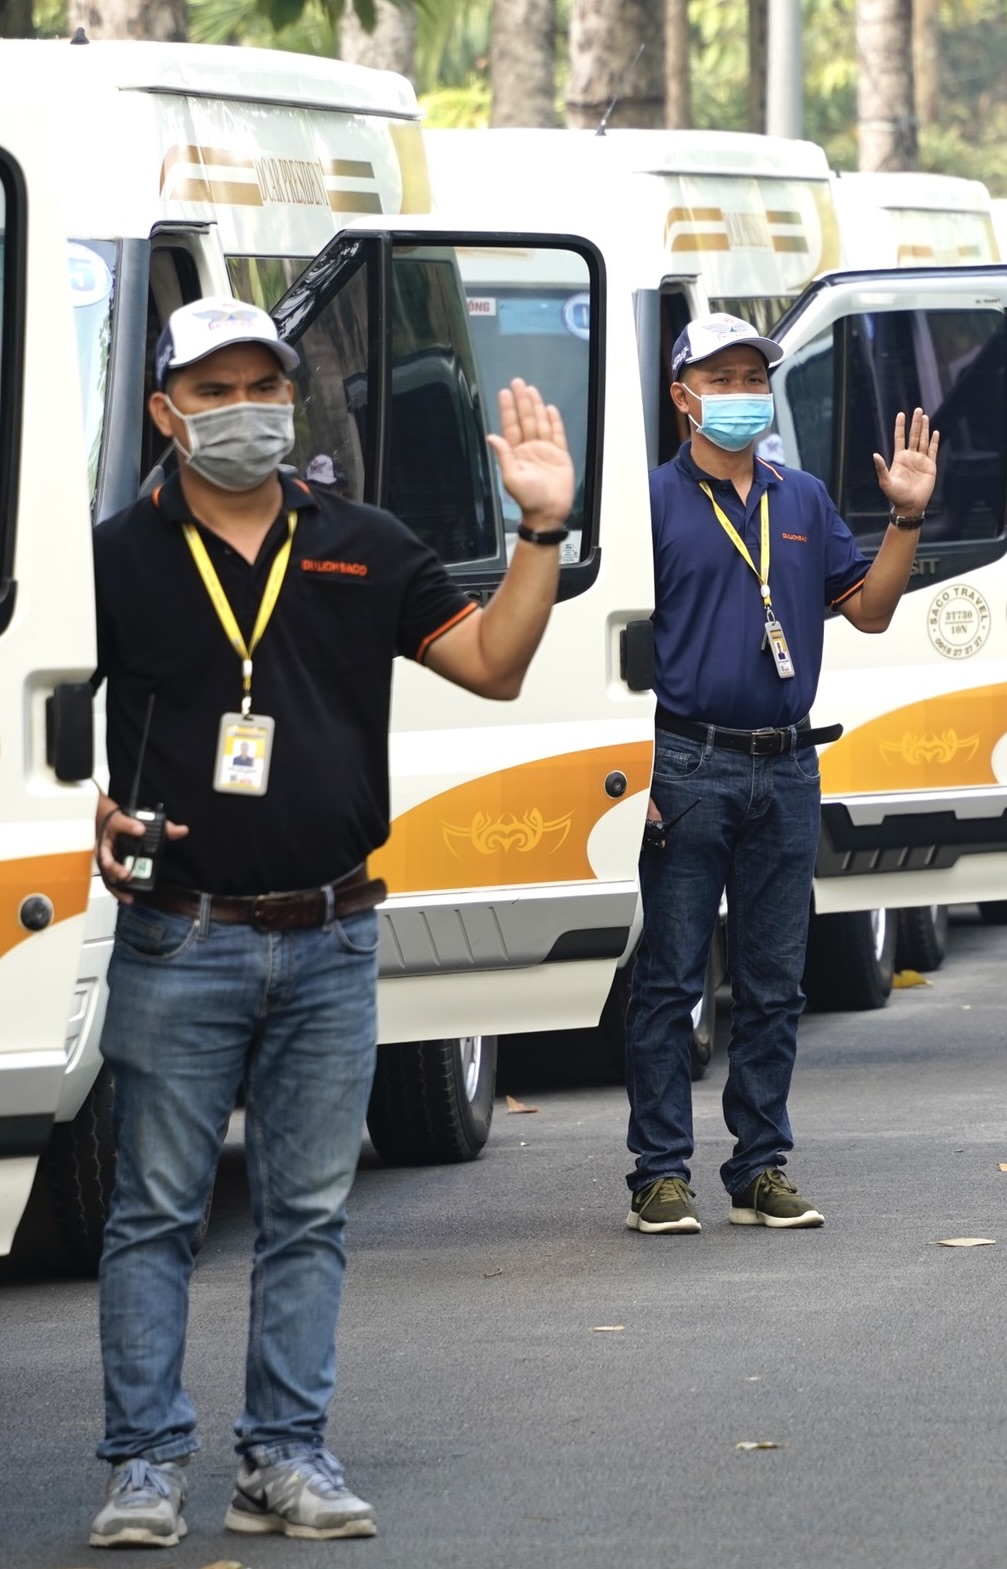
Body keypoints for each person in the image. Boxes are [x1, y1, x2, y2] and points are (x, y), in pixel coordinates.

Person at [87, 298, 574, 1546]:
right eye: (211, 392)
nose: (242, 410)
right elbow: (37, 713)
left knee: (307, 1215)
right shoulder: (111, 556)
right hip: (178, 932)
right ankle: (145, 1466)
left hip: (332, 932)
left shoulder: (362, 542)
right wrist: (76, 800)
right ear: (163, 412)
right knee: (154, 1214)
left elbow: (493, 665)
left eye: (263, 386)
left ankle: (283, 1459)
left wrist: (538, 529)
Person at [624, 313, 938, 1236]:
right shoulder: (650, 502)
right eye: (720, 380)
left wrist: (907, 516)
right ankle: (659, 1174)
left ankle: (760, 1164)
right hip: (685, 760)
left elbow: (872, 610)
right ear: (683, 398)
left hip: (788, 762)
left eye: (753, 377)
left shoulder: (798, 499)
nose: (742, 394)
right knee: (671, 979)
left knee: (774, 981)